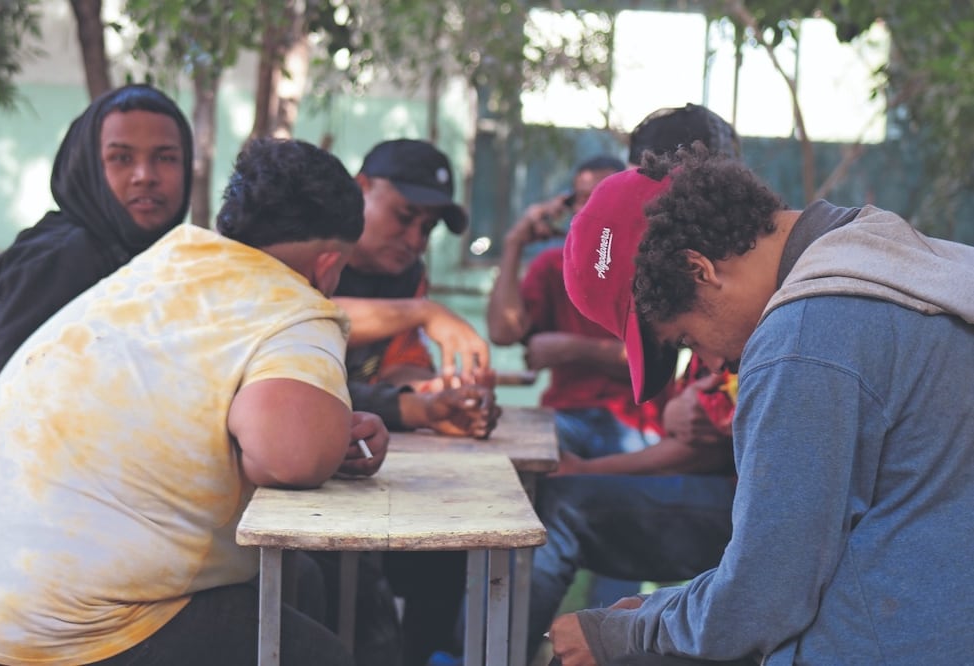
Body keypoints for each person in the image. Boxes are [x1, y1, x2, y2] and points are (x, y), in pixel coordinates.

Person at [0, 137, 391, 666]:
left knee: (296, 586)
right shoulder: (295, 304)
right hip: (34, 630)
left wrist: (318, 423)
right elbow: (289, 457)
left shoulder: (162, 265)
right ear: (328, 266)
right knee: (318, 656)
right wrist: (326, 435)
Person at [550, 143, 974, 665]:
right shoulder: (897, 257)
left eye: (686, 340)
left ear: (698, 269)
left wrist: (622, 635)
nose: (710, 365)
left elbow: (761, 604)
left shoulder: (803, 338)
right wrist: (661, 610)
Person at [522, 105, 744, 660]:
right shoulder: (707, 294)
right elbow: (697, 421)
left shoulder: (741, 307)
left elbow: (703, 445)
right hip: (716, 494)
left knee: (566, 507)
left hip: (743, 518)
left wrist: (634, 630)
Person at [316, 139, 500, 666]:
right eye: (404, 217)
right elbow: (297, 317)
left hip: (357, 463)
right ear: (361, 189)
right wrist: (423, 312)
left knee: (449, 548)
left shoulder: (405, 274)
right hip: (288, 475)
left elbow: (401, 369)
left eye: (428, 227)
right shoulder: (311, 245)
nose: (416, 238)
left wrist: (446, 394)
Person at [0, 83, 194, 448]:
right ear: (88, 165)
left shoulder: (156, 260)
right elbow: (18, 419)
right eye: (121, 158)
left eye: (165, 158)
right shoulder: (61, 259)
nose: (145, 175)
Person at [486, 154, 661, 608]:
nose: (588, 211)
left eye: (599, 198)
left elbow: (651, 361)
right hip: (563, 415)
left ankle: (606, 632)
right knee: (507, 480)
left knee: (622, 515)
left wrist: (569, 349)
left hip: (633, 419)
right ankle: (501, 631)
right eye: (581, 200)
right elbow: (504, 331)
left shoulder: (651, 262)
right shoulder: (552, 265)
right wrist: (513, 243)